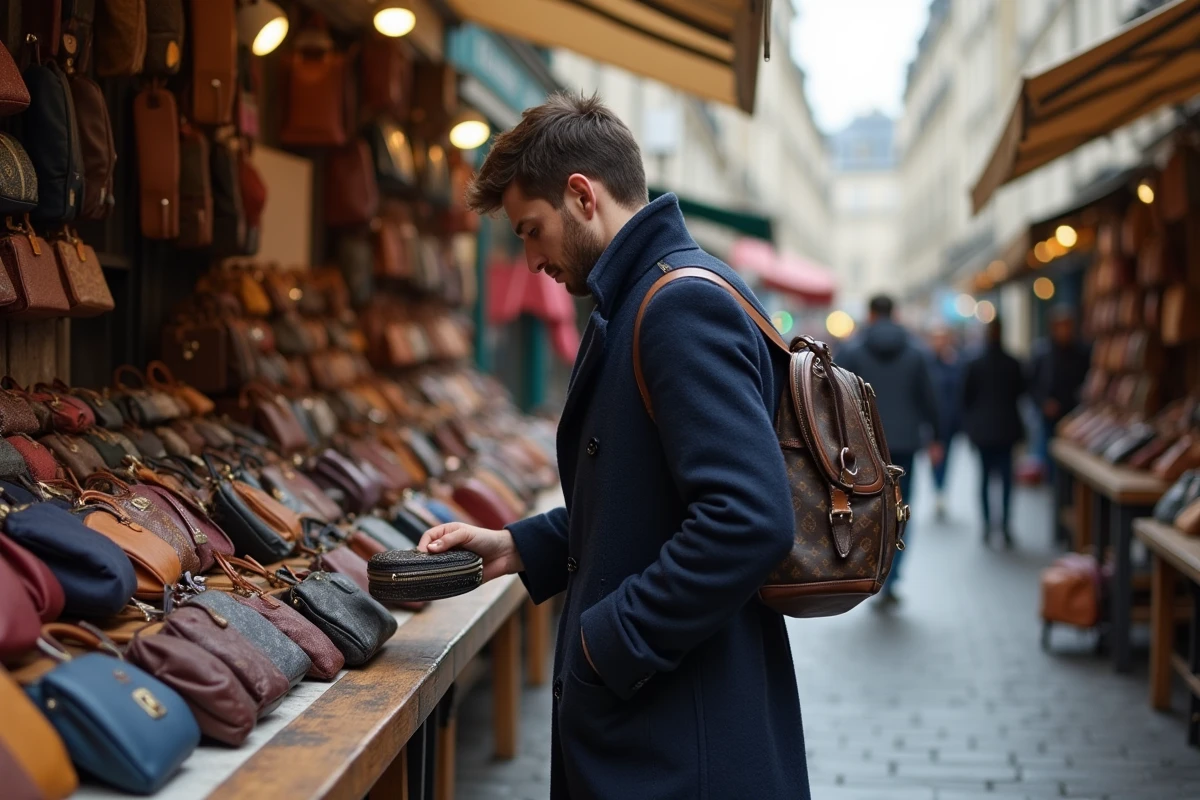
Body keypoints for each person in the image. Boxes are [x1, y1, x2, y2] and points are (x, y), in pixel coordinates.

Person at [417, 93, 807, 799]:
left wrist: (607, 644)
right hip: (665, 728)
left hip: (680, 744)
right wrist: (520, 546)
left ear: (581, 195)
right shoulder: (641, 297)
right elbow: (645, 491)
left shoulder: (677, 307)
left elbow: (749, 519)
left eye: (532, 231)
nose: (531, 258)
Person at [836, 294, 942, 606]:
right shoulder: (916, 353)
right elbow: (930, 398)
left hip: (865, 446)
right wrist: (936, 437)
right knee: (902, 510)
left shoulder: (853, 352)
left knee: (869, 510)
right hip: (906, 444)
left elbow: (838, 399)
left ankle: (873, 573)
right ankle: (893, 577)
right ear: (893, 314)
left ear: (870, 315)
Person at [961, 318, 1026, 547]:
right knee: (1007, 480)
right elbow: (1021, 392)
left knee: (985, 479)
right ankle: (1005, 526)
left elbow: (966, 398)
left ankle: (988, 525)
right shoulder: (1013, 363)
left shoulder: (974, 363)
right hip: (1007, 429)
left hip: (983, 431)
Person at [1028, 307, 1090, 477]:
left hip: (1075, 415)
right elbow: (1032, 385)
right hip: (1049, 416)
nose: (1064, 331)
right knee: (1049, 456)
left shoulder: (1081, 352)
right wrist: (1043, 403)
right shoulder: (1042, 352)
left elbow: (1087, 383)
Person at [927, 325, 963, 521]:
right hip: (932, 422)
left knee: (947, 457)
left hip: (950, 422)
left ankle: (941, 490)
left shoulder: (955, 363)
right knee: (935, 458)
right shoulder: (927, 363)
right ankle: (938, 489)